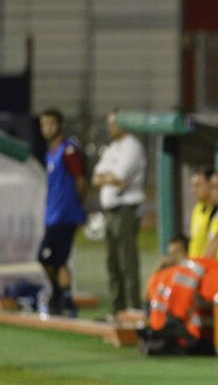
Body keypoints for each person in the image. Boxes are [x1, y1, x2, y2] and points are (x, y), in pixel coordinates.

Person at [92, 109, 146, 315]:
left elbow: (119, 175)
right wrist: (110, 178)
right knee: (112, 262)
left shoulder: (132, 146)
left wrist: (109, 177)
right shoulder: (113, 147)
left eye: (113, 123)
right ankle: (117, 309)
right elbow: (97, 177)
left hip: (125, 209)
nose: (109, 127)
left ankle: (133, 308)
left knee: (127, 262)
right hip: (110, 210)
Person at [36, 108, 86, 316]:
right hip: (52, 214)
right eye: (43, 124)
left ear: (59, 125)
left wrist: (76, 205)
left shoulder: (68, 151)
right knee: (57, 260)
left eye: (50, 124)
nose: (47, 128)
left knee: (46, 256)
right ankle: (63, 298)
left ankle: (60, 297)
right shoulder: (50, 153)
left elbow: (80, 180)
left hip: (65, 216)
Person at [187, 167, 216, 258]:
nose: (193, 191)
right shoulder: (198, 208)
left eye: (197, 185)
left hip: (209, 266)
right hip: (195, 265)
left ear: (211, 185)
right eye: (192, 186)